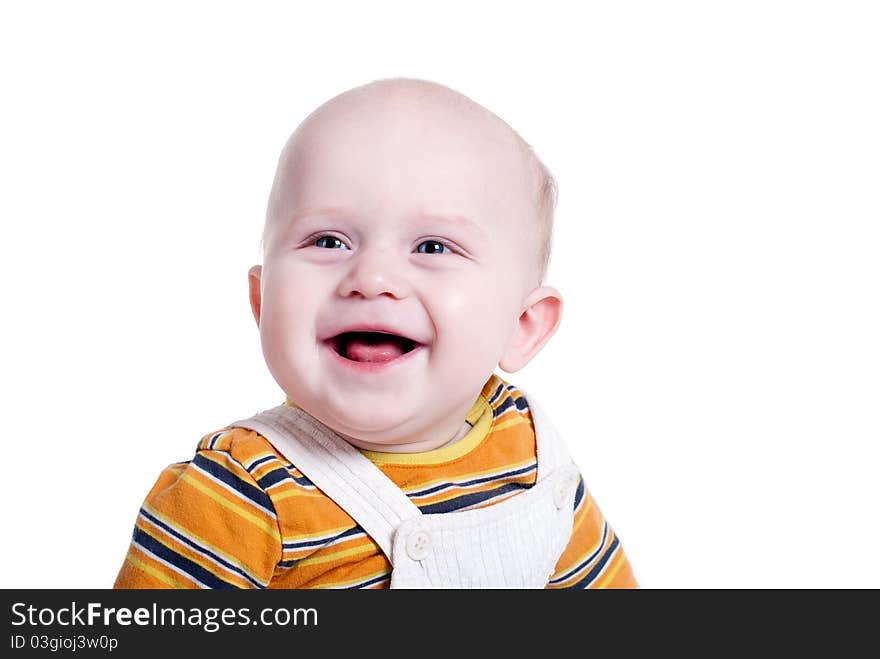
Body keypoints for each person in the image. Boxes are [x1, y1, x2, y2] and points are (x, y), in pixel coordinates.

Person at [113, 77, 638, 589]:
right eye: (328, 240)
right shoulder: (236, 496)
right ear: (262, 301)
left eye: (432, 248)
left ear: (522, 327)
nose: (372, 278)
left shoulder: (532, 452)